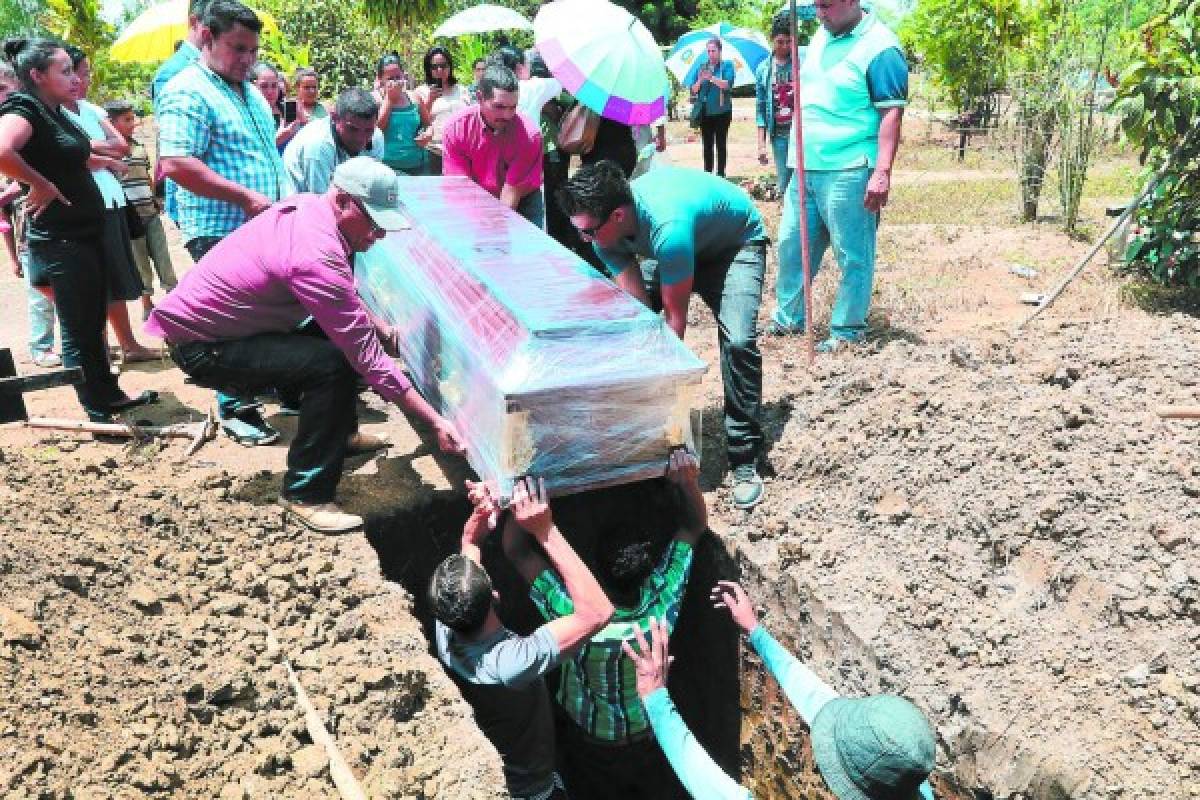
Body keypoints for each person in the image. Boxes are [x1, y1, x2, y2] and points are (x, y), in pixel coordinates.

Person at [146, 157, 465, 532]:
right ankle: (306, 493)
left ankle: (341, 437)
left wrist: (375, 324)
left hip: (231, 328)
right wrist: (434, 421)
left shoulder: (313, 211)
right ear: (344, 201)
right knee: (329, 365)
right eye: (375, 223)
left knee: (337, 344)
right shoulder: (315, 252)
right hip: (203, 346)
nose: (379, 235)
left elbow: (341, 295)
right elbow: (367, 357)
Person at [557, 162, 767, 509]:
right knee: (621, 320)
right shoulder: (602, 235)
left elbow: (674, 323)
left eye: (589, 231)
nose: (585, 240)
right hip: (681, 245)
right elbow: (639, 312)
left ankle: (744, 457)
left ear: (619, 216)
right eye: (579, 230)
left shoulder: (667, 228)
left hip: (733, 246)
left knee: (739, 341)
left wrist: (661, 401)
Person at [503, 449, 707, 799]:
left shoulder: (572, 615)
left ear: (594, 571)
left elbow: (517, 551)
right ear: (647, 570)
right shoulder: (664, 600)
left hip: (592, 744)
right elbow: (693, 526)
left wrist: (523, 505)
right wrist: (688, 483)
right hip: (651, 735)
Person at [620, 583, 937, 800]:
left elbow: (717, 791)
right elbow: (817, 699)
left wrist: (656, 699)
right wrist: (756, 632)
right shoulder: (906, 775)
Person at [0, 37, 155, 421]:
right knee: (79, 326)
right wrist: (38, 183)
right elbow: (2, 150)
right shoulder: (23, 109)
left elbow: (68, 154)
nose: (74, 78)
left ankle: (109, 394)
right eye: (64, 71)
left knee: (90, 322)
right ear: (36, 75)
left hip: (85, 232)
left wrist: (103, 161)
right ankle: (96, 408)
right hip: (61, 239)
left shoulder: (54, 111)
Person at [432, 476, 614, 800]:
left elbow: (469, 545)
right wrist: (545, 530)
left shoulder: (447, 621)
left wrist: (493, 503)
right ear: (496, 596)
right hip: (531, 791)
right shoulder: (510, 664)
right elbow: (597, 613)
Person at [157, 0, 289, 445]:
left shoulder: (248, 91)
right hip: (220, 227)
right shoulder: (187, 89)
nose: (248, 59)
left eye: (253, 50)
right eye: (238, 48)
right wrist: (245, 196)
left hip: (261, 226)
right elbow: (175, 162)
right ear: (207, 38)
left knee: (266, 314)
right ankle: (236, 409)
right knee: (231, 322)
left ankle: (280, 387)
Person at [769, 0, 908, 350]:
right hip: (804, 166)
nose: (819, 13)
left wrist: (882, 172)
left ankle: (846, 332)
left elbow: (891, 114)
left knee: (853, 255)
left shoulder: (881, 48)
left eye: (826, 5)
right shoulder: (822, 34)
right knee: (791, 246)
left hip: (849, 168)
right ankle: (789, 320)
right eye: (816, 6)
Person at [62, 46, 158, 364]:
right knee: (94, 282)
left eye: (86, 73)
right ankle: (99, 349)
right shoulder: (53, 114)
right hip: (85, 205)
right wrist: (95, 155)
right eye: (80, 72)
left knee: (115, 278)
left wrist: (93, 153)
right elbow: (70, 154)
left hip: (112, 200)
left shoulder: (90, 110)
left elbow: (120, 146)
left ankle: (128, 343)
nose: (84, 79)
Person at [0, 61, 58, 368]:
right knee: (39, 290)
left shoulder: (27, 120)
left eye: (3, 89)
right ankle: (41, 346)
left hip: (44, 221)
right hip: (26, 227)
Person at [442, 64, 543, 228]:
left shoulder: (529, 136)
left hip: (521, 201)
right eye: (499, 106)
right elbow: (461, 190)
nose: (507, 115)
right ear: (480, 98)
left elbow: (511, 193)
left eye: (513, 107)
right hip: (474, 199)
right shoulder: (456, 129)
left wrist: (494, 230)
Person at [106, 100, 179, 322]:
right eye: (126, 120)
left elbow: (146, 176)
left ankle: (174, 301)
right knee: (140, 264)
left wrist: (155, 199)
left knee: (163, 257)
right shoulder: (109, 151)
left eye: (132, 119)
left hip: (150, 212)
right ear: (112, 123)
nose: (133, 124)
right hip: (130, 218)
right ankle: (147, 305)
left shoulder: (138, 146)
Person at [152, 0, 210, 225]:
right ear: (195, 23)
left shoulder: (221, 67)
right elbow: (175, 149)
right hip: (197, 204)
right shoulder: (172, 72)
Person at [283, 87, 384, 195]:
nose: (360, 138)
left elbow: (373, 187)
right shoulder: (318, 145)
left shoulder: (376, 136)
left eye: (368, 130)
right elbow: (321, 202)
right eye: (353, 129)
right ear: (334, 117)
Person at [755, 12, 800, 195]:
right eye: (780, 42)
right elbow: (761, 109)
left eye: (789, 42)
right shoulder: (764, 70)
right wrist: (761, 144)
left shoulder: (800, 63)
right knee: (785, 184)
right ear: (772, 39)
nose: (785, 46)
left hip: (801, 134)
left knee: (803, 183)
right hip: (779, 136)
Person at [412, 46, 469, 174]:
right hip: (433, 151)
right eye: (434, 67)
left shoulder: (462, 90)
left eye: (443, 66)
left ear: (450, 67)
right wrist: (430, 100)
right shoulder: (421, 92)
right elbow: (417, 122)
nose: (439, 70)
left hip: (460, 152)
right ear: (428, 69)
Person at [373, 52, 429, 176]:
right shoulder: (376, 100)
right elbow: (376, 132)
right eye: (390, 78)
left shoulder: (414, 97)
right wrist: (389, 100)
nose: (395, 82)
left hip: (417, 165)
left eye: (398, 77)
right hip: (387, 168)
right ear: (381, 79)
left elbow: (428, 124)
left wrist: (428, 134)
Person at [691, 38, 735, 178]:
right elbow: (694, 90)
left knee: (721, 144)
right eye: (708, 51)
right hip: (706, 112)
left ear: (720, 51)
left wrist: (711, 78)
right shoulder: (701, 67)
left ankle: (721, 174)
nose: (711, 54)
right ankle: (708, 174)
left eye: (713, 51)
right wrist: (700, 80)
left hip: (723, 112)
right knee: (707, 145)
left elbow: (727, 85)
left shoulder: (726, 65)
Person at [251, 62, 303, 152]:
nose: (270, 91)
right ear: (253, 86)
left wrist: (303, 122)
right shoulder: (247, 115)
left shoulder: (286, 109)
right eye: (264, 86)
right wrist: (278, 139)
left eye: (274, 86)